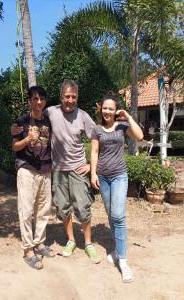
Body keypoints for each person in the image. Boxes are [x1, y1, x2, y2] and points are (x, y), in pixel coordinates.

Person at [45, 80, 100, 263]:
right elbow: (34, 119)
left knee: (82, 208)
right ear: (61, 97)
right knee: (62, 208)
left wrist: (91, 166)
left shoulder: (83, 116)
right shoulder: (51, 112)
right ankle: (71, 240)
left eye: (73, 97)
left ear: (77, 98)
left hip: (78, 169)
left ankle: (88, 243)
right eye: (67, 96)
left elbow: (97, 137)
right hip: (58, 170)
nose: (70, 100)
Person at [90, 93, 143, 282]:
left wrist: (127, 116)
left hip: (119, 175)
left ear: (116, 110)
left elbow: (140, 136)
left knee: (118, 216)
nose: (107, 111)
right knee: (111, 215)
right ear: (101, 109)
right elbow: (94, 152)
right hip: (103, 177)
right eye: (105, 108)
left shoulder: (122, 126)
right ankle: (116, 249)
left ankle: (123, 260)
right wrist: (93, 173)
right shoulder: (96, 129)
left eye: (111, 108)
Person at [12, 86, 54, 270]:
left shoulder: (49, 120)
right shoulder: (21, 121)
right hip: (27, 170)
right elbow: (15, 147)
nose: (39, 102)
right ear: (29, 101)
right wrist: (27, 139)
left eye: (42, 98)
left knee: (43, 210)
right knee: (27, 210)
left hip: (45, 169)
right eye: (35, 98)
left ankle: (39, 243)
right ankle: (28, 250)